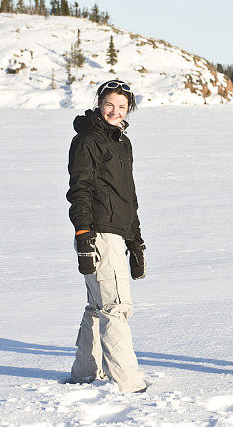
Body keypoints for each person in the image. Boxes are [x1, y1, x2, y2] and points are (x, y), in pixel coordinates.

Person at [64, 79, 147, 393]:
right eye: (109, 104)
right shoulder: (89, 139)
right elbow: (80, 190)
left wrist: (135, 241)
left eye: (122, 106)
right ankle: (129, 384)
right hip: (98, 231)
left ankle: (86, 373)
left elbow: (128, 197)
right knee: (115, 307)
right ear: (99, 103)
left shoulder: (121, 142)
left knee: (98, 306)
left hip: (116, 232)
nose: (115, 111)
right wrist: (84, 235)